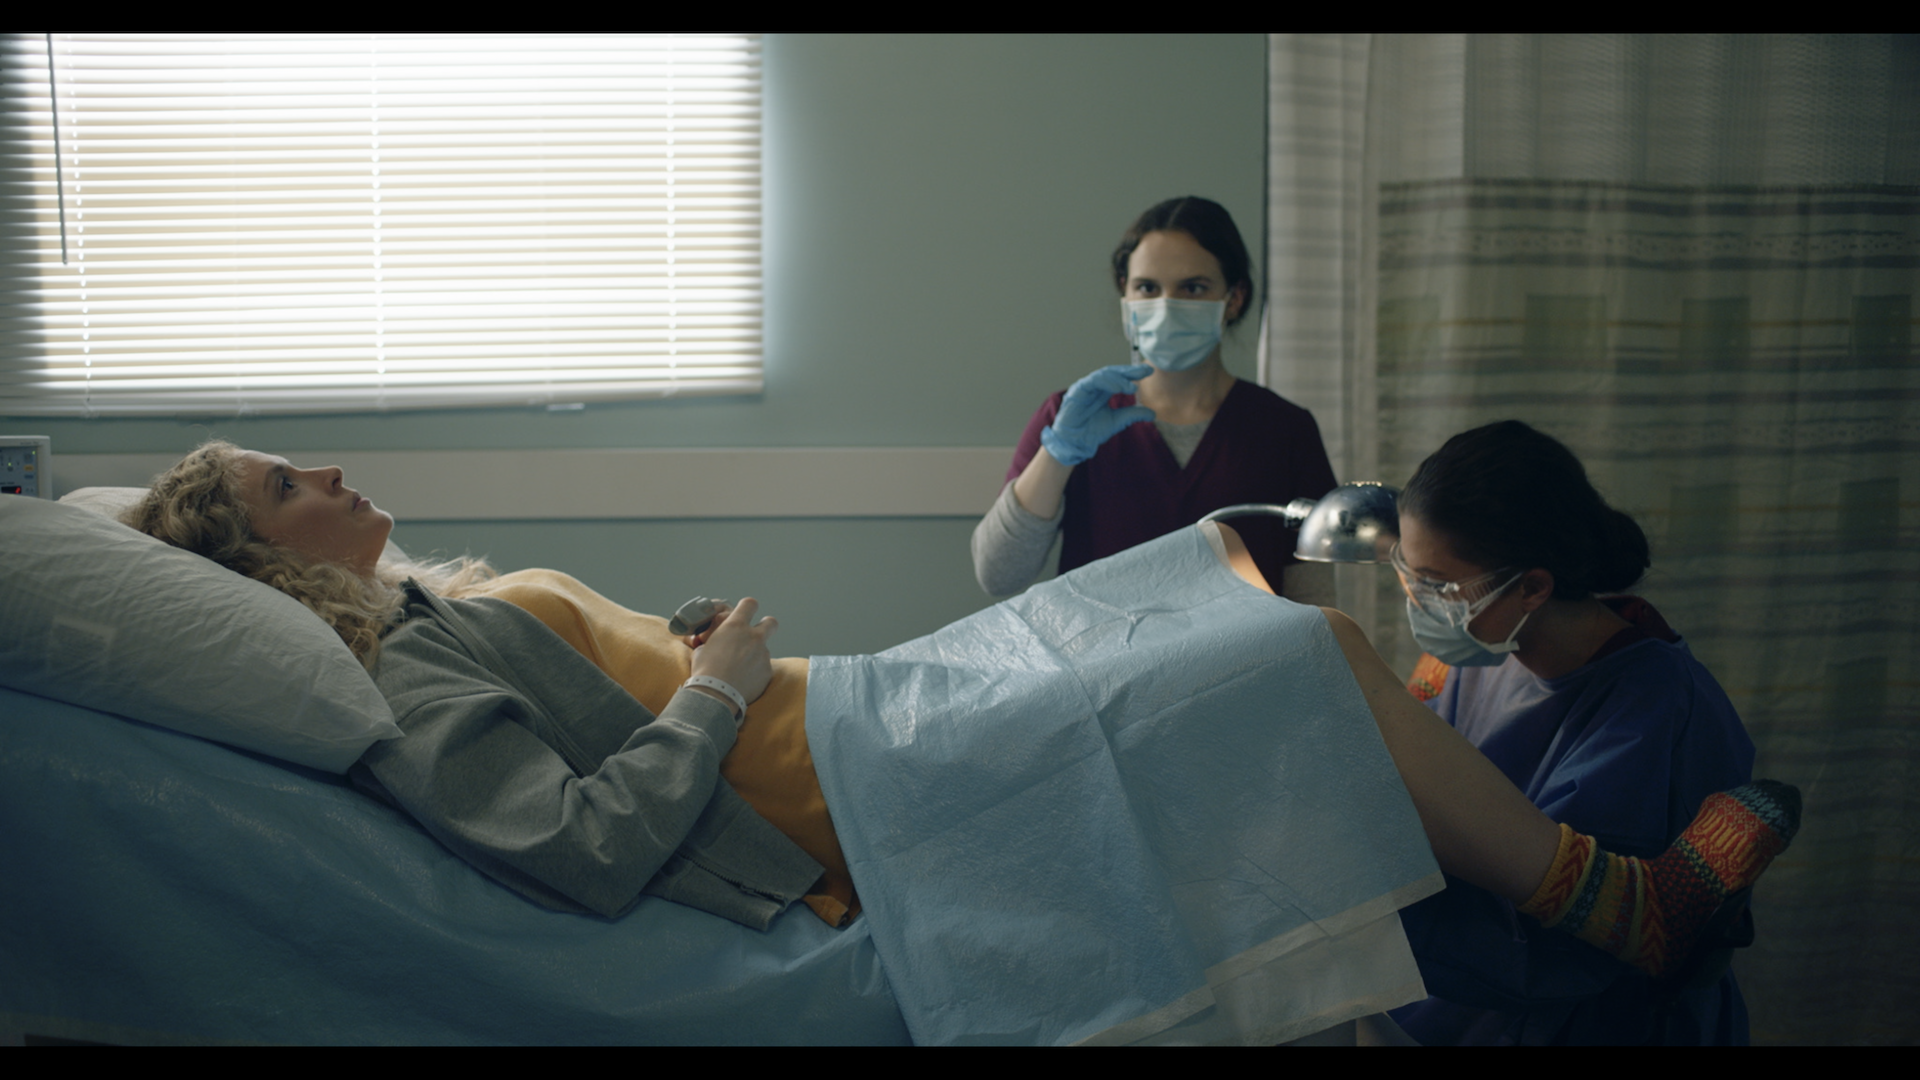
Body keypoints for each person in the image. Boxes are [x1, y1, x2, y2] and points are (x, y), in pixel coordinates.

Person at [131, 440, 1800, 1027]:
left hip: (853, 710)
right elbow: (577, 844)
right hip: (865, 778)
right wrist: (715, 692)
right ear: (263, 558)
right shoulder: (400, 671)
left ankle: (1576, 909)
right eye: (287, 483)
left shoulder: (435, 596)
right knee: (1299, 652)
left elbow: (593, 699)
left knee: (1226, 601)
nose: (325, 470)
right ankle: (1627, 906)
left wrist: (678, 649)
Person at [1385, 420, 1761, 1045]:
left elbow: (1559, 956)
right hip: (1461, 991)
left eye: (1438, 587)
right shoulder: (1470, 657)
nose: (1417, 602)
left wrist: (1378, 890)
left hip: (1584, 1015)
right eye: (1408, 571)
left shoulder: (1654, 709)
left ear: (1533, 587)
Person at [972, 196, 1338, 603]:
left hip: (1249, 648)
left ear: (1233, 299)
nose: (1166, 307)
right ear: (1125, 296)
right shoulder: (1070, 417)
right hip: (1101, 647)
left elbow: (1314, 602)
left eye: (1193, 288)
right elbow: (998, 574)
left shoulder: (1285, 430)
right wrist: (1058, 454)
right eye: (1147, 287)